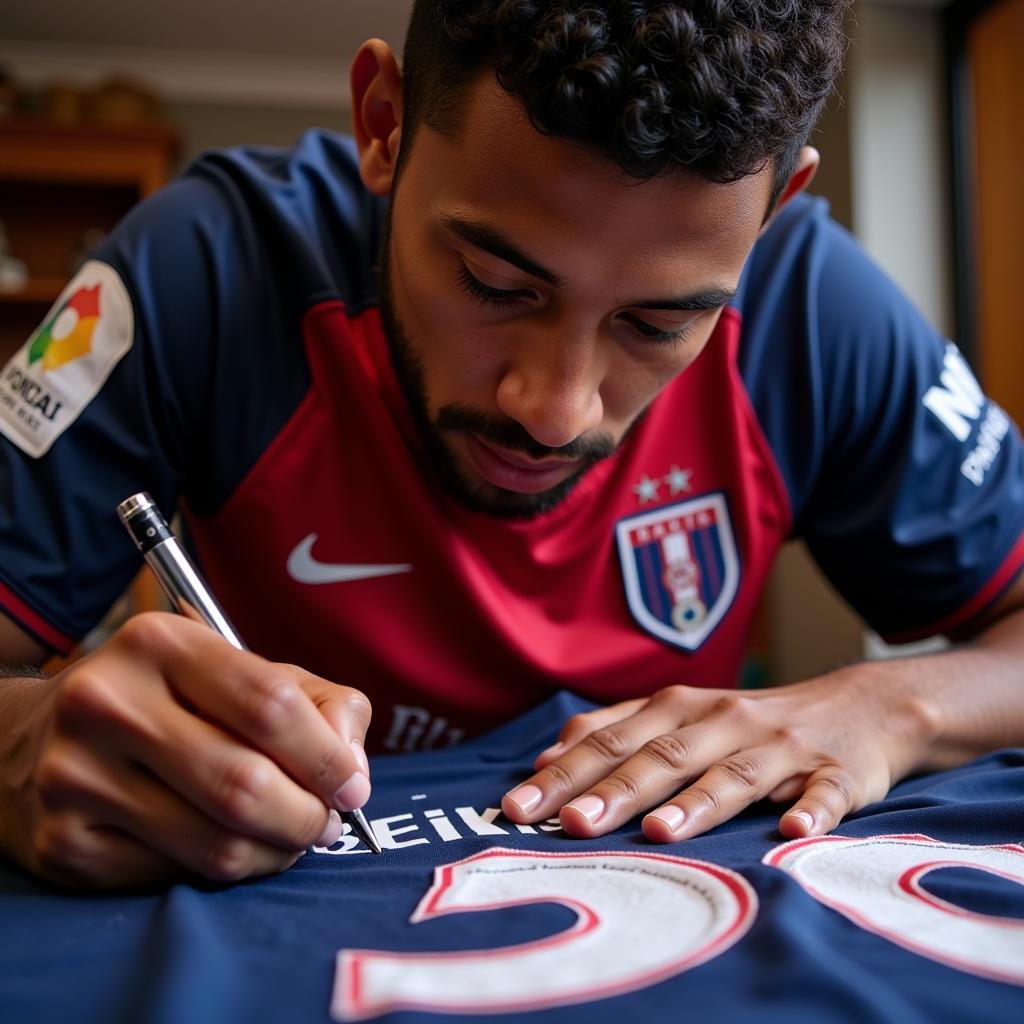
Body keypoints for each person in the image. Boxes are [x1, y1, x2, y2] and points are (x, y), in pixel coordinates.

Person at [0, 0, 1022, 890]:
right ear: (384, 124)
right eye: (497, 285)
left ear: (770, 213)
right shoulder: (199, 269)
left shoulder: (814, 308)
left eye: (657, 324)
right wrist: (20, 743)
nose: (557, 409)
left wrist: (890, 705)